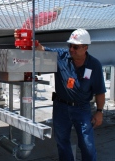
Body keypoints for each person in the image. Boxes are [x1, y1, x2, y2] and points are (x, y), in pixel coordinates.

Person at [36, 28, 106, 161]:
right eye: (70, 46)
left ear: (85, 47)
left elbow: (100, 91)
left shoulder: (94, 65)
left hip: (82, 109)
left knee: (87, 144)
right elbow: (42, 49)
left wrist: (99, 111)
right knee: (62, 142)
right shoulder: (62, 56)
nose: (71, 49)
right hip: (61, 108)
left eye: (75, 47)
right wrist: (34, 44)